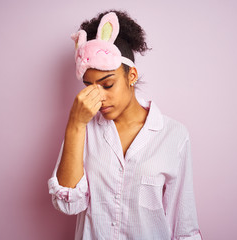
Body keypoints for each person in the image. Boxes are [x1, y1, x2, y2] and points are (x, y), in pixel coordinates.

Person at [48, 10, 203, 240]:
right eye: (89, 86)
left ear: (131, 76)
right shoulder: (83, 130)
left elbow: (183, 225)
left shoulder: (173, 136)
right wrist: (75, 124)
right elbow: (68, 204)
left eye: (108, 85)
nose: (98, 98)